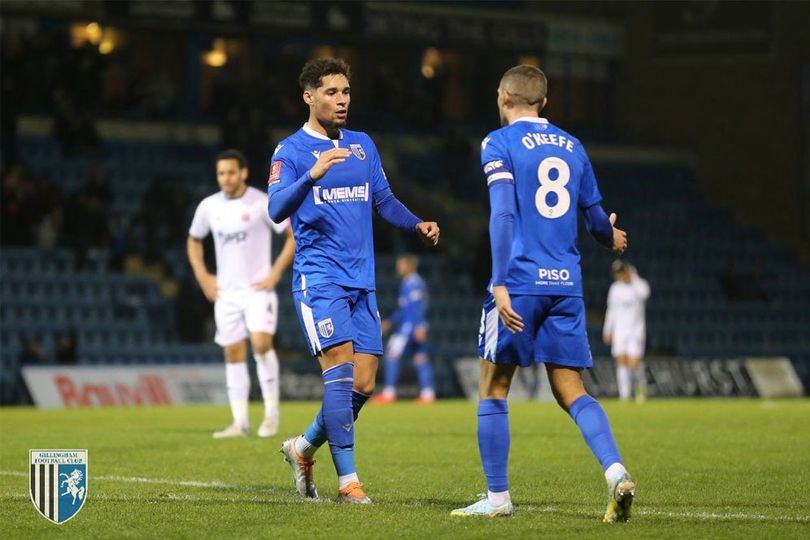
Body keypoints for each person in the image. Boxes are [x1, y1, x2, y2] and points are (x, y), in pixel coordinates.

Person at [451, 65, 634, 522]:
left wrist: (499, 280)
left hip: (519, 283)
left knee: (493, 387)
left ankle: (497, 500)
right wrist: (610, 238)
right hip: (566, 286)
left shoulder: (499, 143)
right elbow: (595, 223)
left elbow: (503, 215)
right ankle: (615, 473)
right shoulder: (574, 147)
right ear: (545, 102)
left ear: (503, 96)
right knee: (572, 389)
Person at [268, 58, 439, 504]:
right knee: (341, 376)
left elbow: (383, 199)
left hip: (362, 281)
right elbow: (275, 209)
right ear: (309, 96)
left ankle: (302, 447)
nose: (342, 100)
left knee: (364, 383)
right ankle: (349, 484)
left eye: (346, 91)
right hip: (319, 279)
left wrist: (416, 223)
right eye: (331, 92)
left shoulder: (363, 146)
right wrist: (312, 175)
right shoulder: (289, 151)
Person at [187, 149, 295, 439]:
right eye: (221, 173)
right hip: (226, 293)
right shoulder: (209, 206)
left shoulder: (261, 202)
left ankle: (271, 413)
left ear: (243, 173)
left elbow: (291, 237)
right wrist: (203, 277)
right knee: (233, 352)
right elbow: (194, 240)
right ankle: (240, 423)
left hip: (258, 290)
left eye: (231, 172)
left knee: (260, 344)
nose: (225, 178)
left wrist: (274, 274)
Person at [372, 253, 435, 405]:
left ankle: (389, 393)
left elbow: (418, 306)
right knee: (420, 357)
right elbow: (404, 309)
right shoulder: (409, 282)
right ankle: (428, 394)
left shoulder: (413, 282)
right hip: (412, 323)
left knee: (392, 354)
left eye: (400, 265)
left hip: (410, 326)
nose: (398, 268)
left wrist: (419, 325)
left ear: (408, 266)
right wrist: (390, 322)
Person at [603, 260, 650, 403]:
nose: (618, 275)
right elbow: (611, 310)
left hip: (636, 331)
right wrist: (607, 329)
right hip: (619, 332)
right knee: (622, 362)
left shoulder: (638, 285)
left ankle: (641, 389)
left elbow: (645, 294)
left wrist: (634, 278)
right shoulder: (615, 289)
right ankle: (624, 395)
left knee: (634, 363)